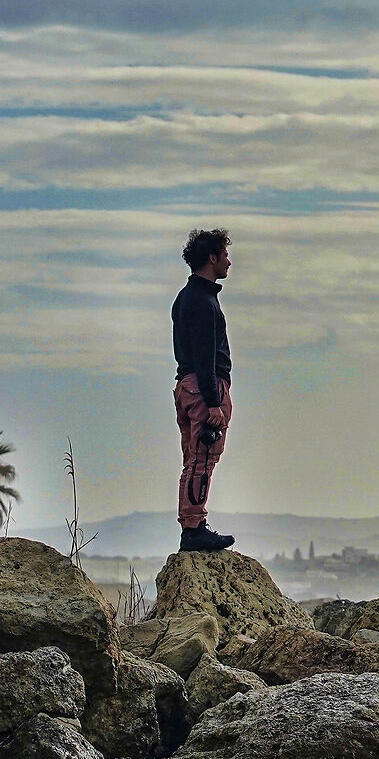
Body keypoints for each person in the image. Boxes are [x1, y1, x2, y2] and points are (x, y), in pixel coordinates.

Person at [172, 228, 237, 553]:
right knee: (203, 457)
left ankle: (193, 525)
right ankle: (194, 529)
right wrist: (214, 402)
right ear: (212, 257)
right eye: (225, 255)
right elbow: (204, 355)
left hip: (189, 386)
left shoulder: (189, 297)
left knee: (195, 459)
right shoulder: (201, 301)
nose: (229, 262)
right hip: (202, 388)